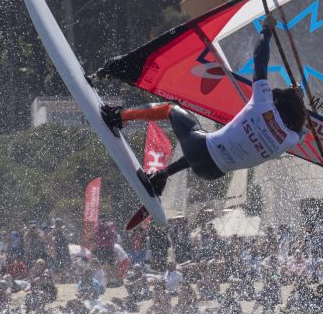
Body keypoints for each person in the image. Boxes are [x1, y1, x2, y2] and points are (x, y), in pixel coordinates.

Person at [101, 12, 307, 192]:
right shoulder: (289, 141)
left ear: (278, 102)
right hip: (212, 173)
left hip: (200, 149)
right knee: (210, 142)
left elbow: (260, 60)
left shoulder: (263, 103)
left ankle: (118, 116)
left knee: (171, 109)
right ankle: (162, 175)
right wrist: (300, 99)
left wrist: (267, 30)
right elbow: (301, 130)